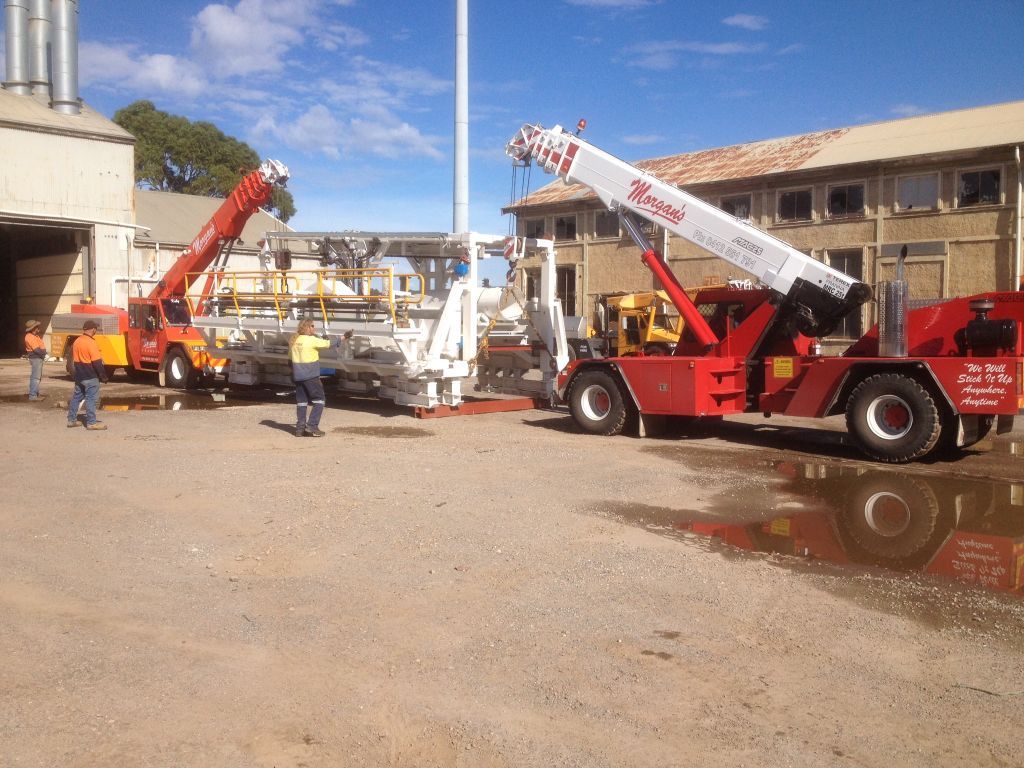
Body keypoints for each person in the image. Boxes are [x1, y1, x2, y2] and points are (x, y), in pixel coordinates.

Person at [289, 319, 339, 437]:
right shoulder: (311, 340)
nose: (314, 328)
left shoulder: (294, 341)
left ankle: (300, 429)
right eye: (312, 326)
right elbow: (328, 344)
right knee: (319, 400)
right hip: (311, 376)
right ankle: (312, 426)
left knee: (302, 402)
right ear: (306, 327)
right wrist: (343, 338)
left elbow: (290, 359)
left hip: (298, 376)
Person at [67, 319, 108, 430]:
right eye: (95, 328)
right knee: (91, 399)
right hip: (90, 376)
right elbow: (97, 362)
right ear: (93, 329)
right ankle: (91, 423)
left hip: (79, 375)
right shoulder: (91, 342)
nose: (96, 330)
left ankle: (71, 420)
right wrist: (103, 375)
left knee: (76, 397)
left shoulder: (77, 341)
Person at [23, 320, 47, 401]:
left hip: (38, 358)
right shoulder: (30, 337)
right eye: (37, 327)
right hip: (36, 358)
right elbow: (37, 350)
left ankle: (35, 394)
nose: (38, 329)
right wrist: (44, 355)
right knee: (35, 377)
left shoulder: (34, 336)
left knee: (37, 377)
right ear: (33, 328)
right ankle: (33, 395)